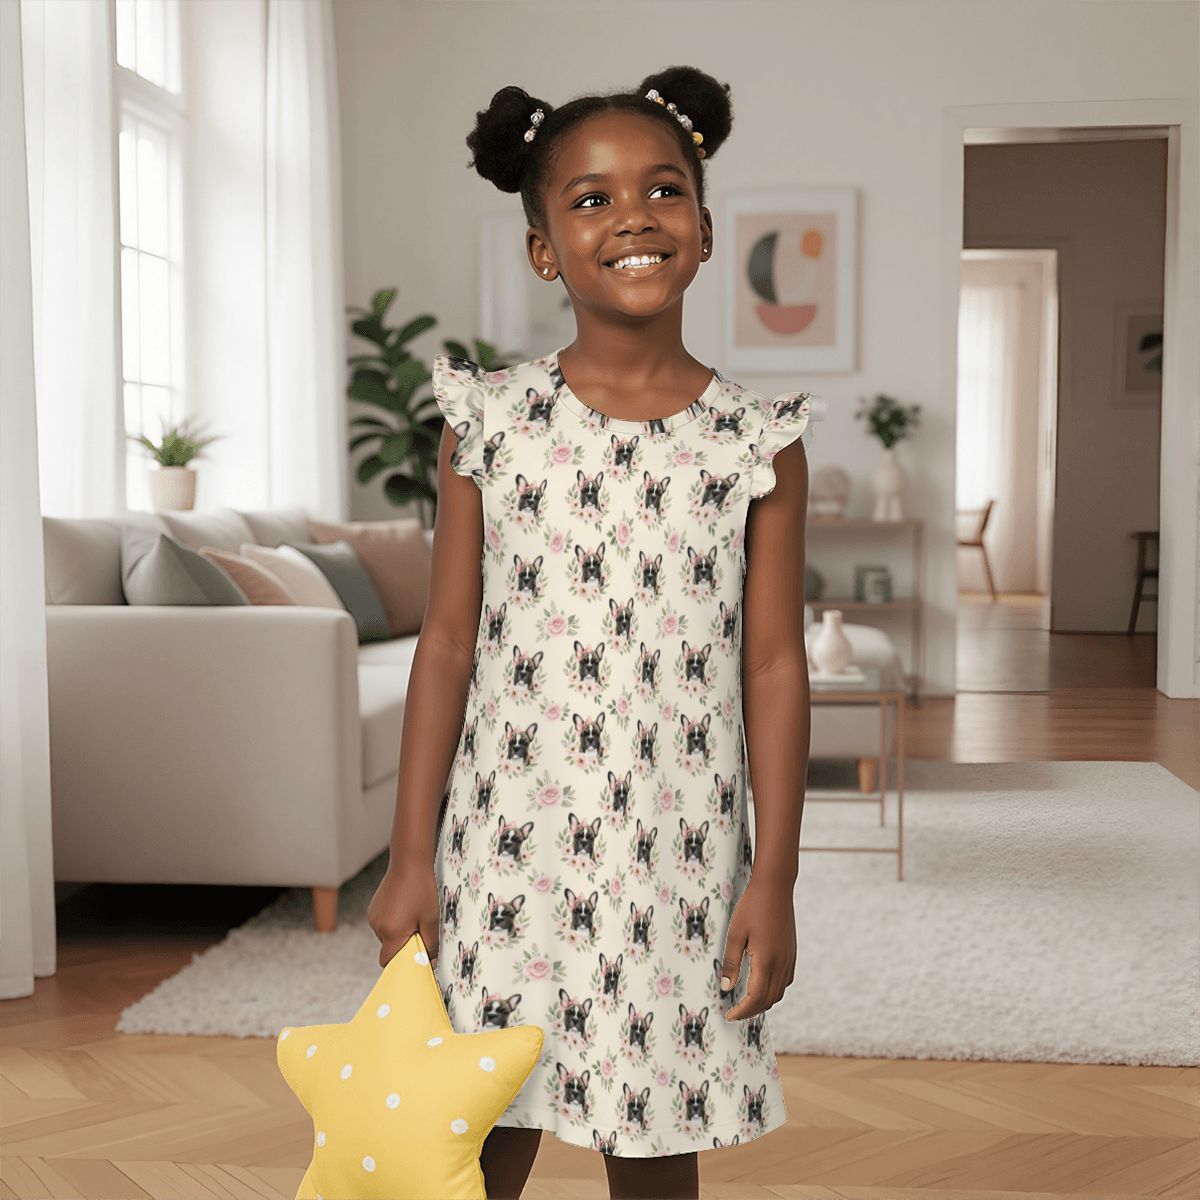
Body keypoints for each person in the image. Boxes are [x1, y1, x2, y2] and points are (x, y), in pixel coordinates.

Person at [368, 64, 814, 1200]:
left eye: (664, 191)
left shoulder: (757, 440)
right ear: (543, 249)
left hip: (677, 855)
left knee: (654, 1142)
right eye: (591, 199)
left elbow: (772, 665)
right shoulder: (489, 424)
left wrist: (773, 877)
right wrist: (412, 857)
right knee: (476, 1131)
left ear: (705, 231)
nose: (634, 218)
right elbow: (448, 645)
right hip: (503, 846)